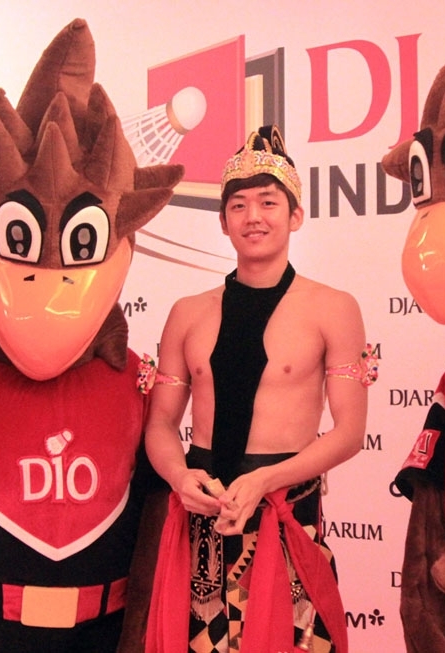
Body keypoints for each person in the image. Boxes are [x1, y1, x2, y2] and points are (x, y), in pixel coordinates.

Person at [142, 125, 375, 653]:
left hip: (287, 517)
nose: (254, 216)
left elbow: (350, 433)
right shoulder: (187, 313)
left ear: (295, 215)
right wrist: (179, 476)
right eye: (239, 205)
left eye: (269, 202)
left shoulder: (333, 308)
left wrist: (265, 480)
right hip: (202, 520)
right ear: (223, 221)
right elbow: (160, 424)